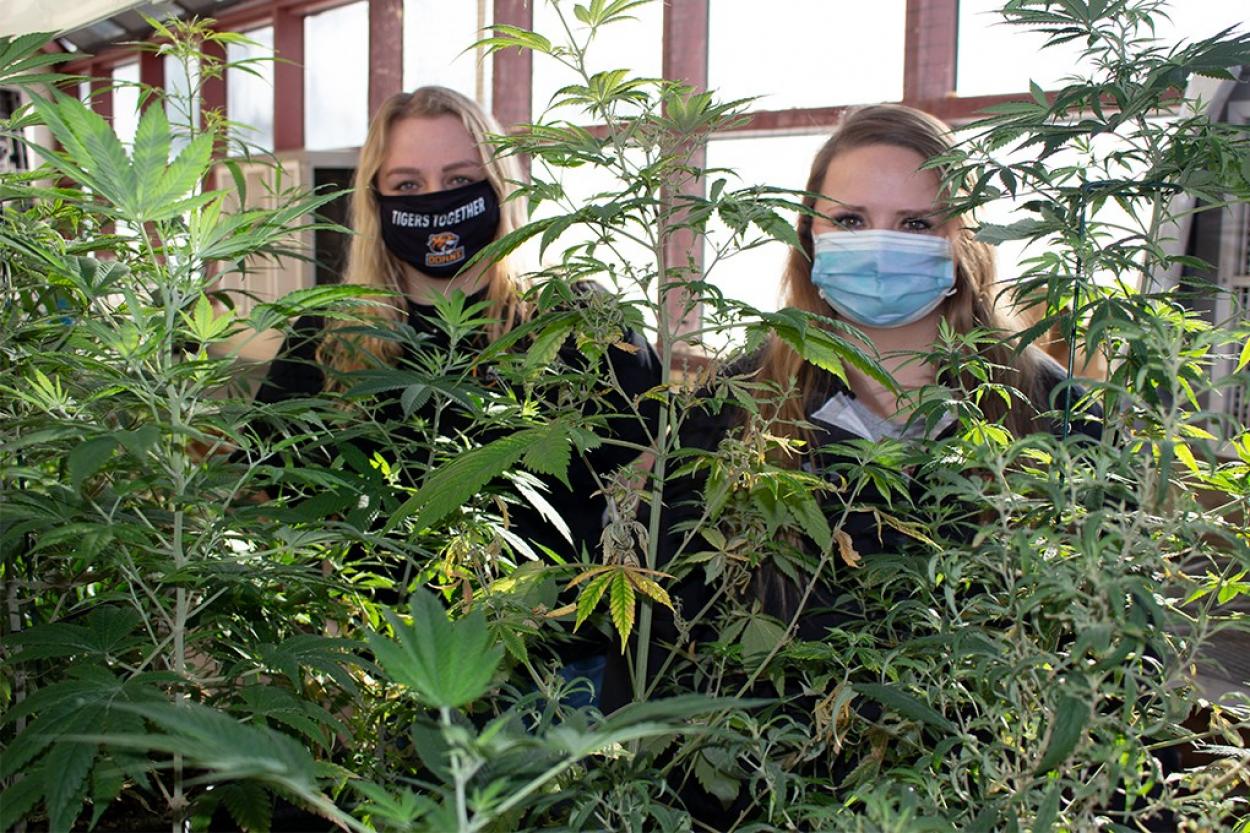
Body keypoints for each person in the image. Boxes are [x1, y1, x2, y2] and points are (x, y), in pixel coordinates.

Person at [252, 86, 660, 672]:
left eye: (460, 177)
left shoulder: (579, 320)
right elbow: (274, 472)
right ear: (376, 198)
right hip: (389, 659)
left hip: (555, 662)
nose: (435, 201)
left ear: (499, 185)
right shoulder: (327, 331)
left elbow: (648, 457)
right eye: (408, 185)